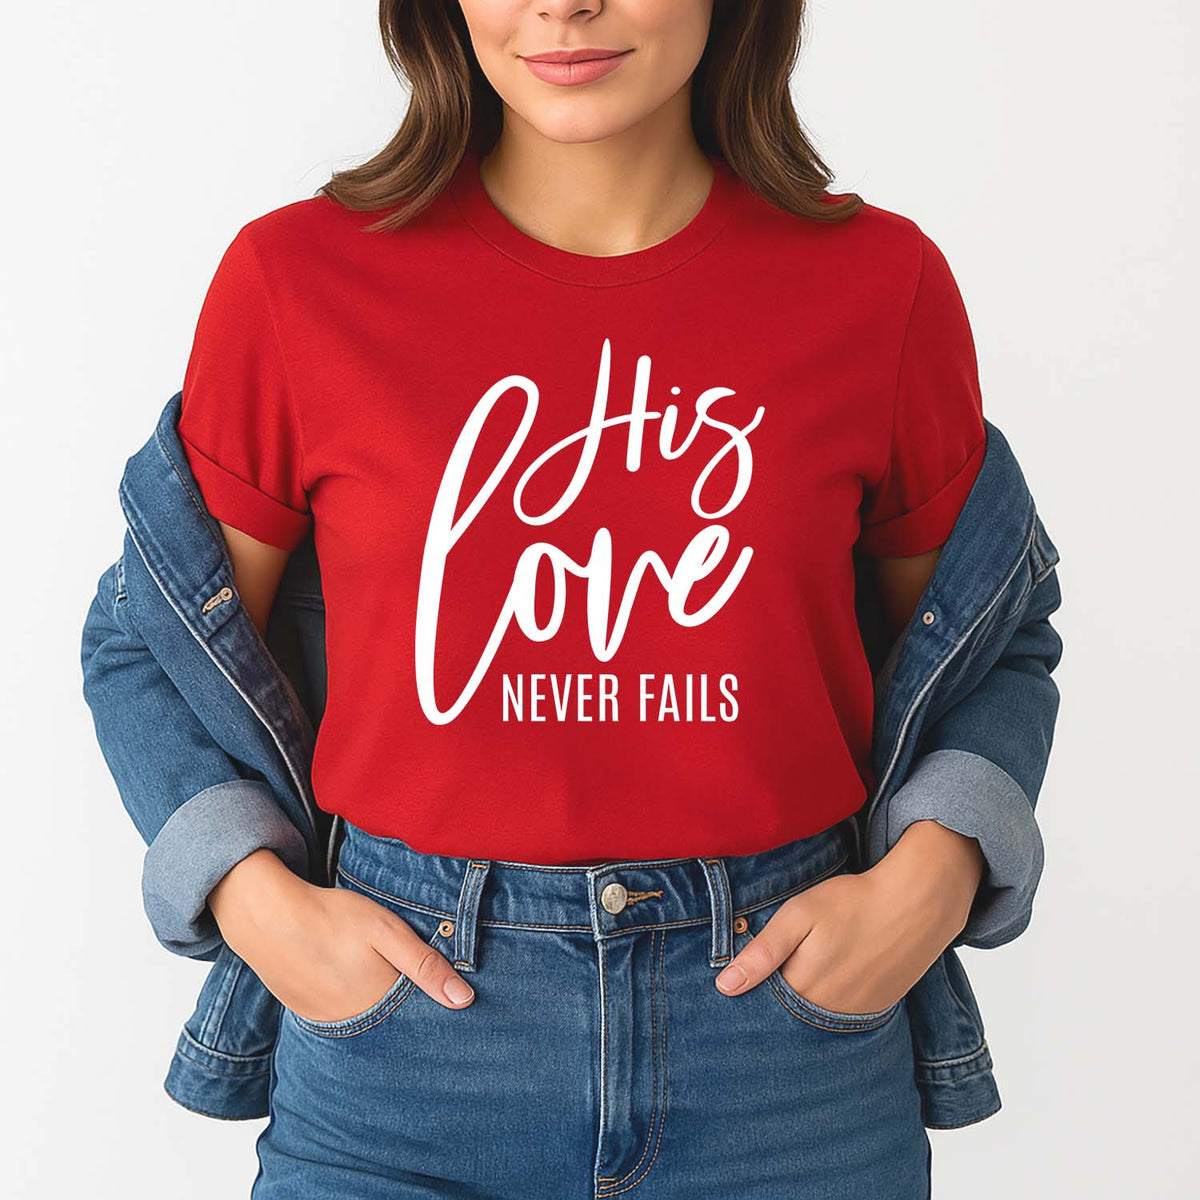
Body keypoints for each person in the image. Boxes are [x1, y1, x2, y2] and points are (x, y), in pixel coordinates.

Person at [107, 2, 1059, 1196]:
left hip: (787, 1056)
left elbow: (990, 634)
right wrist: (252, 900)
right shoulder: (297, 281)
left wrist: (938, 871)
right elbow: (148, 639)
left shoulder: (879, 285)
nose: (564, 5)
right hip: (407, 1052)